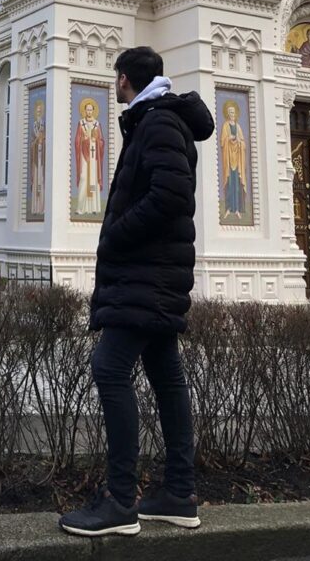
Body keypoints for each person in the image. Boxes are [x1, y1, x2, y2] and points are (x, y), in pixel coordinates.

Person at [60, 46, 214, 538]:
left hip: (146, 275)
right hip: (154, 275)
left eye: (116, 79)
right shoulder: (152, 119)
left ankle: (121, 501)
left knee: (109, 368)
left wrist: (118, 232)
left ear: (124, 79)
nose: (114, 86)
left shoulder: (158, 123)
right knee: (166, 376)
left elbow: (170, 195)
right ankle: (178, 492)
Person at [74, 99, 105, 217]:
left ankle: (94, 208)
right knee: (83, 178)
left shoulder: (97, 124)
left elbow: (102, 141)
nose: (89, 112)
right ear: (84, 111)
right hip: (84, 156)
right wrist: (84, 139)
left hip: (94, 156)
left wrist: (96, 140)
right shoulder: (81, 123)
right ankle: (81, 208)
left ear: (93, 111)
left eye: (91, 110)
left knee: (94, 179)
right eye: (87, 110)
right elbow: (77, 141)